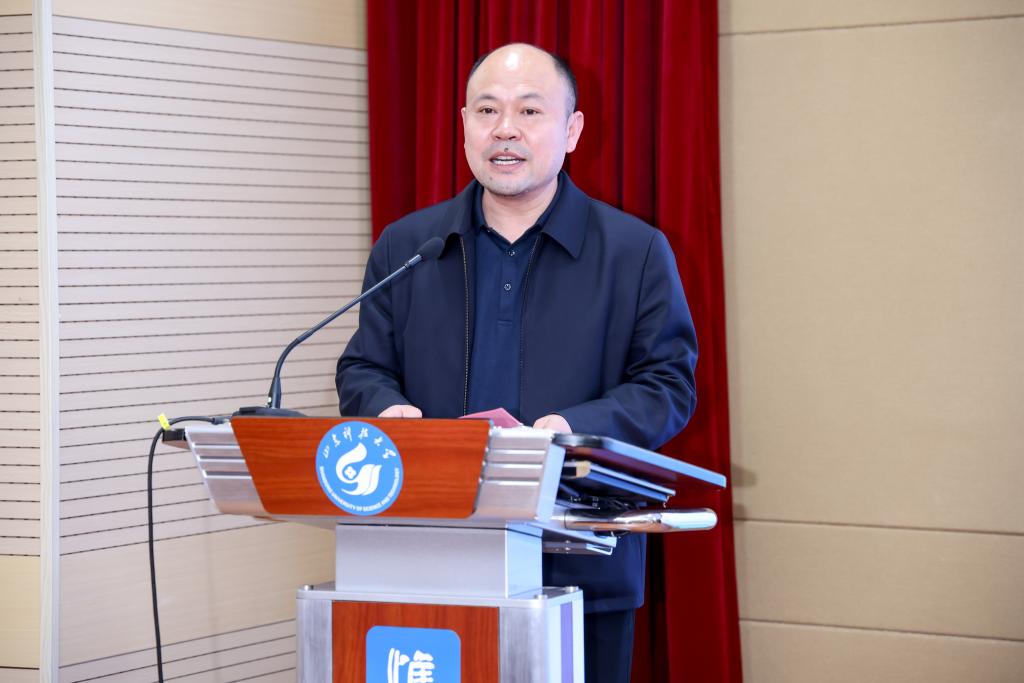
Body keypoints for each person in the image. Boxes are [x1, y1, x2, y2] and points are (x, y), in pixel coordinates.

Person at [337, 42, 697, 682]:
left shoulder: (635, 251)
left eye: (530, 111)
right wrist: (387, 411)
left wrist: (573, 429)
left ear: (572, 131)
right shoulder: (410, 245)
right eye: (487, 110)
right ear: (464, 127)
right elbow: (363, 367)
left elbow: (667, 385)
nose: (505, 129)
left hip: (579, 566)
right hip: (430, 555)